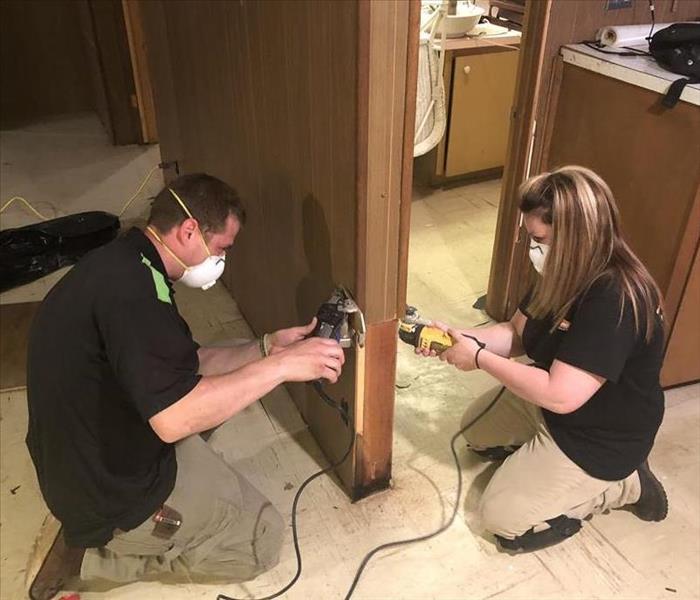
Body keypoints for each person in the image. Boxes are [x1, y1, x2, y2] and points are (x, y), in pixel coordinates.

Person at [26, 173, 345, 599]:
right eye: (222, 248)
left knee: (232, 364)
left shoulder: (133, 262)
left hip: (93, 448)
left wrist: (268, 348)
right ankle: (97, 560)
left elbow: (188, 362)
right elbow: (173, 419)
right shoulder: (133, 294)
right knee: (261, 541)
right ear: (190, 230)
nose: (222, 259)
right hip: (110, 490)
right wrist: (283, 368)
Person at [419, 165, 668, 551]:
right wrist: (457, 337)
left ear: (576, 237)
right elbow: (516, 333)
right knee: (476, 433)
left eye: (540, 239)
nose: (532, 249)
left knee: (502, 520)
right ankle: (542, 465)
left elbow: (560, 395)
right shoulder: (563, 270)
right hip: (555, 404)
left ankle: (626, 485)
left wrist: (480, 359)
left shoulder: (616, 298)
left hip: (599, 434)